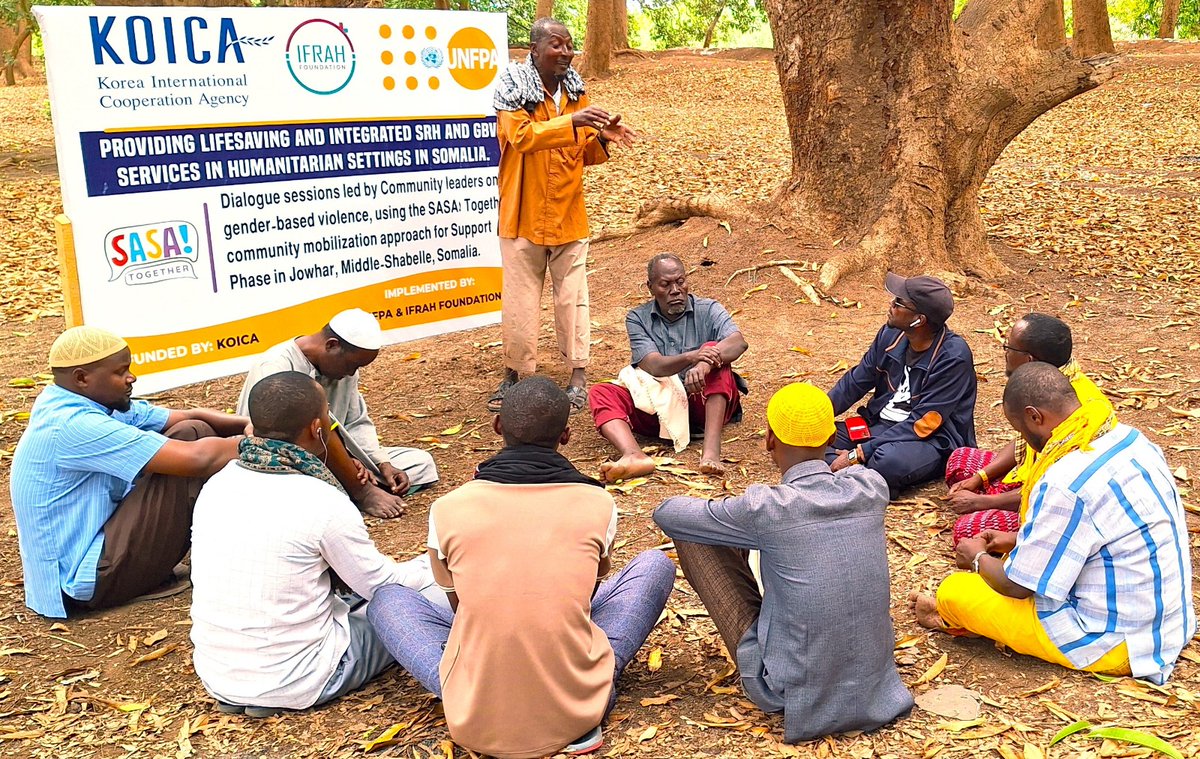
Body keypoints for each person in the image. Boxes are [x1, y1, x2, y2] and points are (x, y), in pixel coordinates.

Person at [368, 377, 676, 758]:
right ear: (565, 436)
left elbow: (460, 608)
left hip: (474, 706)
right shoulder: (597, 503)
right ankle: (583, 685)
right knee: (654, 565)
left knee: (387, 599)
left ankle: (479, 691)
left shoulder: (447, 509)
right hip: (578, 702)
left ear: (498, 427)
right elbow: (585, 598)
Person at [654, 383, 912, 742]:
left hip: (786, 691)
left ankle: (767, 657)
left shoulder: (767, 507)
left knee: (694, 531)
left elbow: (667, 514)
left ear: (769, 440)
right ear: (830, 438)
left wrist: (730, 513)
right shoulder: (870, 488)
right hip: (875, 686)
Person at [913, 363, 1195, 684]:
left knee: (955, 591)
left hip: (1113, 641)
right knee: (1004, 564)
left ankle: (955, 618)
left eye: (1021, 429)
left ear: (1035, 417)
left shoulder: (1066, 478)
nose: (1023, 439)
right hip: (1169, 623)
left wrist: (976, 558)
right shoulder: (1129, 438)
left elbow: (1017, 587)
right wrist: (1013, 540)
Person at [191, 372, 446, 717]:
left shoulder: (218, 484)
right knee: (418, 597)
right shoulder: (322, 500)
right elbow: (381, 586)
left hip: (218, 674)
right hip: (306, 676)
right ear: (316, 428)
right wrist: (429, 566)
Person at [11, 326, 246, 619]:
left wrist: (248, 423)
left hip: (95, 548)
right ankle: (143, 574)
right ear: (82, 378)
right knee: (192, 451)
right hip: (87, 579)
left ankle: (148, 567)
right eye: (121, 372)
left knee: (191, 430)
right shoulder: (75, 425)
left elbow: (189, 416)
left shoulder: (80, 401)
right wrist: (265, 439)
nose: (131, 377)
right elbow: (197, 460)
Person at [488, 17, 637, 416]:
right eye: (557, 44)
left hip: (569, 215)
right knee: (520, 300)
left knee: (573, 299)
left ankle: (577, 376)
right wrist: (570, 123)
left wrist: (603, 137)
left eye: (570, 45)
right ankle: (514, 375)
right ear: (534, 50)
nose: (567, 52)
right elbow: (522, 138)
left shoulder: (575, 93)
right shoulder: (512, 91)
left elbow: (584, 151)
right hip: (522, 214)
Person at [237, 309, 438, 520]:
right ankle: (355, 489)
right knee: (297, 491)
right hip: (287, 463)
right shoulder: (275, 367)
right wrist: (347, 466)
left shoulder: (344, 372)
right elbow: (268, 439)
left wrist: (381, 464)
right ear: (332, 345)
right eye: (352, 365)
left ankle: (351, 486)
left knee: (420, 463)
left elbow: (356, 422)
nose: (352, 373)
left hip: (338, 457)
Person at [943, 313, 1115, 545]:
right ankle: (997, 496)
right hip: (1027, 480)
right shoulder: (1050, 384)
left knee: (968, 529)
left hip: (1052, 502)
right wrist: (980, 477)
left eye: (1009, 347)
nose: (1004, 353)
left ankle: (1000, 505)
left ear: (1029, 360)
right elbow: (1025, 441)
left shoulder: (1076, 417)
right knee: (961, 459)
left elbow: (1053, 491)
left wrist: (981, 502)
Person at [589, 253, 749, 482]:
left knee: (716, 354)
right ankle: (633, 455)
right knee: (601, 392)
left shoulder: (709, 309)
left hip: (704, 403)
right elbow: (652, 365)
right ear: (651, 288)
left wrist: (704, 364)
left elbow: (738, 342)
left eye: (680, 281)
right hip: (662, 408)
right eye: (665, 284)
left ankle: (711, 451)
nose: (675, 290)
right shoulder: (637, 318)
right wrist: (692, 356)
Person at [827, 273, 976, 498]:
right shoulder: (891, 334)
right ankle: (865, 478)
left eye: (899, 302)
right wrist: (814, 416)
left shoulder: (953, 356)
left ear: (919, 320)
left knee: (888, 460)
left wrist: (858, 453)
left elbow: (924, 424)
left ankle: (858, 472)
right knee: (812, 439)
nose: (891, 304)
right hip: (879, 427)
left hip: (929, 439)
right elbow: (856, 381)